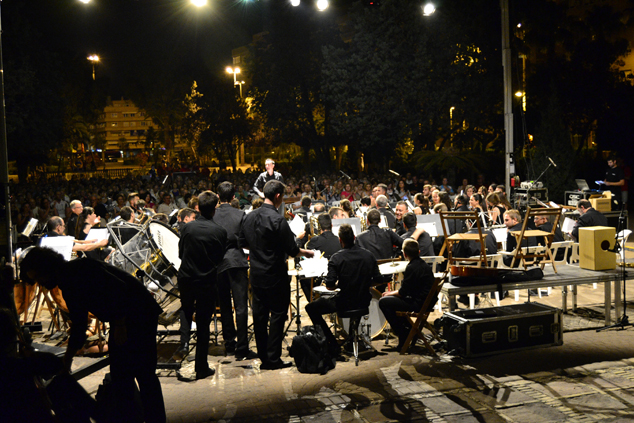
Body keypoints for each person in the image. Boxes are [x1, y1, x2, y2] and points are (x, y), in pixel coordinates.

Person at [20, 247, 166, 423]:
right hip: (125, 317)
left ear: (47, 268)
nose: (40, 283)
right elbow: (79, 323)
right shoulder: (67, 280)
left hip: (138, 313)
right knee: (121, 375)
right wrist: (68, 357)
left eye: (38, 277)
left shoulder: (80, 270)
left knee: (142, 373)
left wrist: (121, 325)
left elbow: (119, 289)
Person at [238, 180, 314, 370]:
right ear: (278, 196)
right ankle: (273, 359)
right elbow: (292, 249)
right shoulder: (278, 220)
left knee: (259, 316)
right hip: (275, 274)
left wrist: (258, 249)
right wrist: (306, 252)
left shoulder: (249, 216)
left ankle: (264, 357)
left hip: (256, 273)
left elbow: (242, 242)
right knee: (278, 315)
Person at [305, 224, 382, 356]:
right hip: (364, 301)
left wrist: (337, 285)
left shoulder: (336, 258)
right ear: (354, 237)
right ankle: (351, 338)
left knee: (311, 308)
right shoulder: (369, 255)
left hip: (344, 303)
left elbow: (329, 285)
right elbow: (379, 279)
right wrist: (364, 282)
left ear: (340, 240)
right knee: (357, 298)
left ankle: (333, 344)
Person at [176, 190, 227, 379]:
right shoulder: (220, 231)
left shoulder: (187, 228)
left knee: (186, 311)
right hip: (206, 281)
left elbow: (181, 254)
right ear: (214, 209)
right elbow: (219, 259)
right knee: (204, 324)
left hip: (186, 278)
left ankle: (183, 345)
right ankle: (201, 366)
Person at [213, 182, 256, 361]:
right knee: (241, 306)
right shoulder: (240, 214)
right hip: (237, 261)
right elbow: (247, 240)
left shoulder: (212, 214)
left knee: (224, 306)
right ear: (233, 197)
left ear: (218, 196)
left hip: (218, 263)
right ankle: (242, 347)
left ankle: (229, 344)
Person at [379, 239, 435, 351]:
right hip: (426, 302)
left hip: (418, 304)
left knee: (383, 302)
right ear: (419, 252)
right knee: (392, 302)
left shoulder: (411, 267)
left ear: (404, 254)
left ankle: (403, 333)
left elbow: (402, 293)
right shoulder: (424, 265)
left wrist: (389, 293)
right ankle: (408, 330)